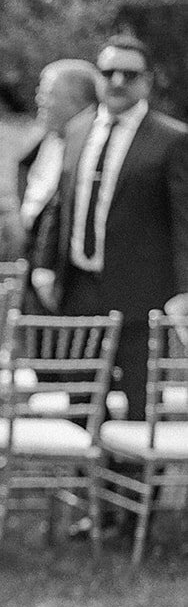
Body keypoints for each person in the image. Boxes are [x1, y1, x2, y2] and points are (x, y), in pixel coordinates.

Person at [32, 34, 188, 422]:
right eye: (108, 72)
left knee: (138, 405)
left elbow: (185, 223)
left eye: (129, 74)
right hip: (80, 288)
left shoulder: (172, 140)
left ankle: (131, 484)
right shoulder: (78, 130)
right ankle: (86, 482)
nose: (117, 81)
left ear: (147, 80)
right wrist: (46, 265)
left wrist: (185, 292)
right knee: (81, 401)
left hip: (142, 294)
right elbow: (59, 202)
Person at [15, 60, 99, 311]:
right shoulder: (43, 142)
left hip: (67, 282)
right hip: (30, 273)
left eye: (48, 93)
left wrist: (47, 266)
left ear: (77, 101)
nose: (39, 100)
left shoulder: (95, 147)